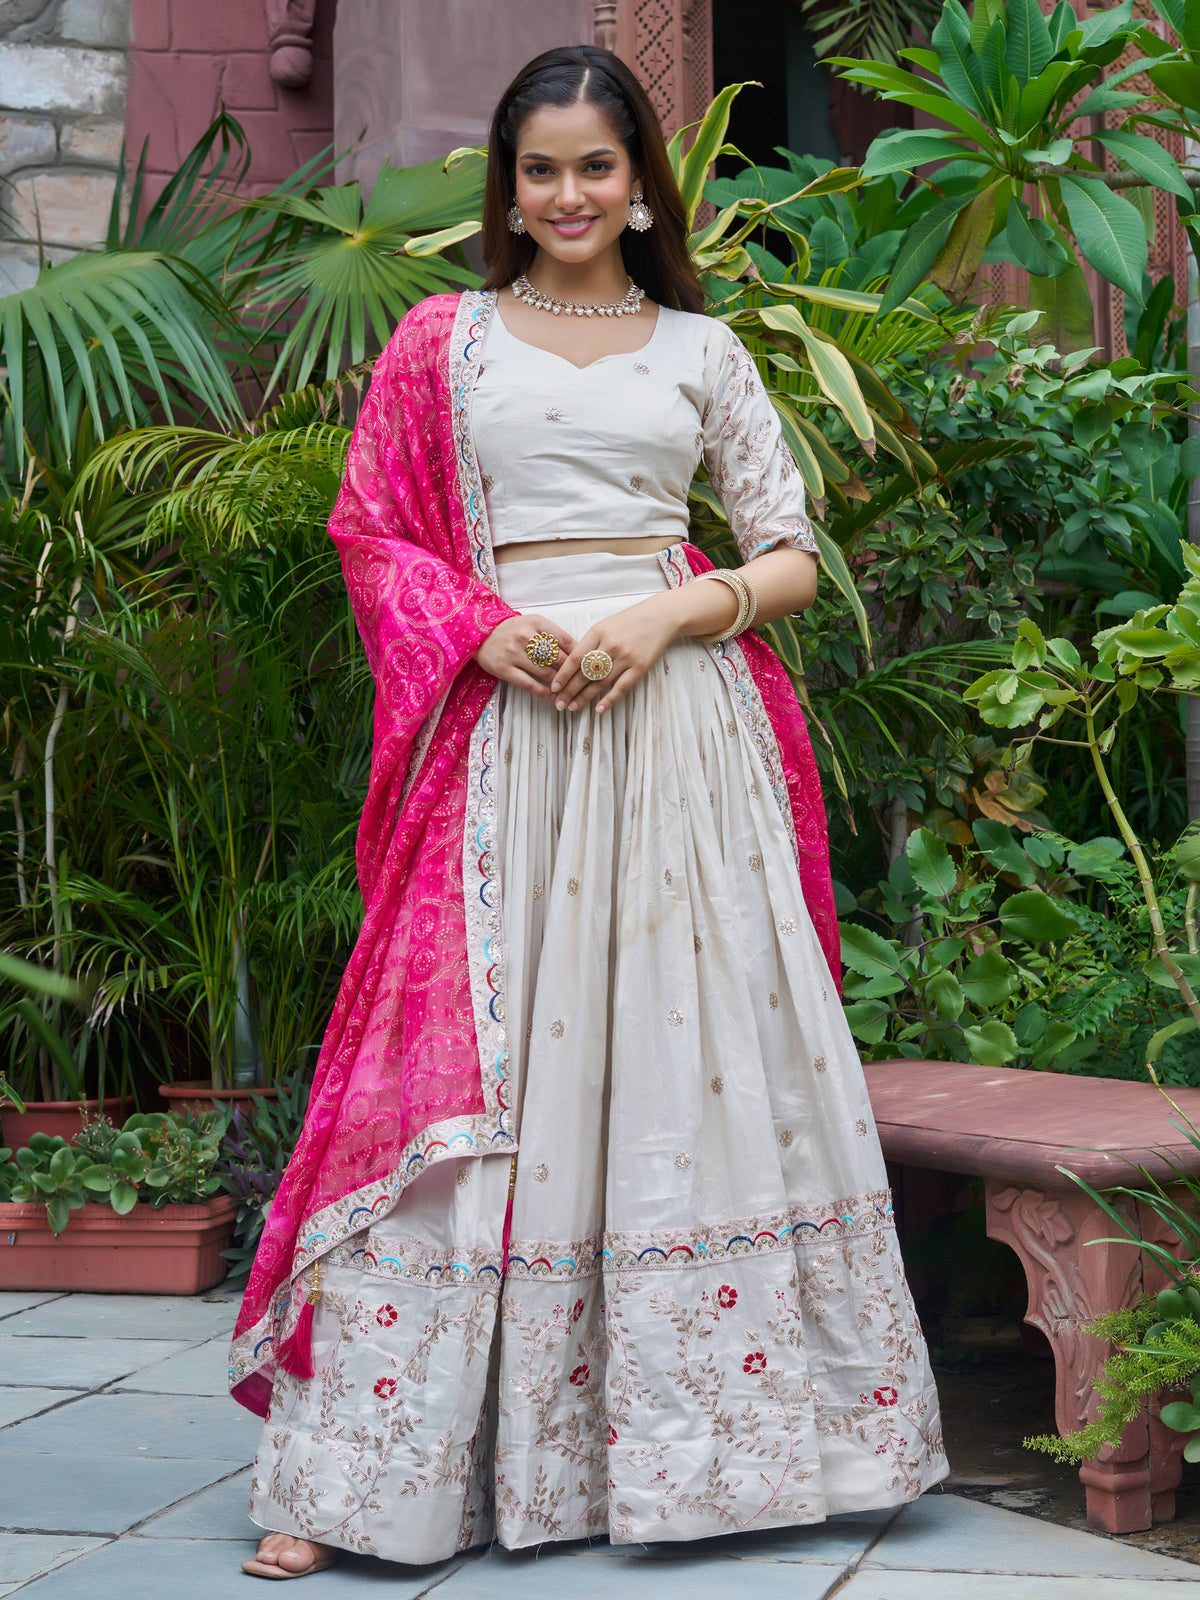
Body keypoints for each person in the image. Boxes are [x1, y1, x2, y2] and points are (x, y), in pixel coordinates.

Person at [234, 43, 947, 1580]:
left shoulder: (701, 349)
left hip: (680, 740)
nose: (567, 193)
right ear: (509, 184)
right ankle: (370, 1474)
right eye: (540, 168)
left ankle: (729, 1450)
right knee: (470, 1070)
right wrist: (480, 630)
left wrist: (670, 616)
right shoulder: (442, 342)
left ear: (641, 184)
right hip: (508, 741)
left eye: (596, 166)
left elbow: (788, 555)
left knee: (693, 1057)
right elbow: (372, 534)